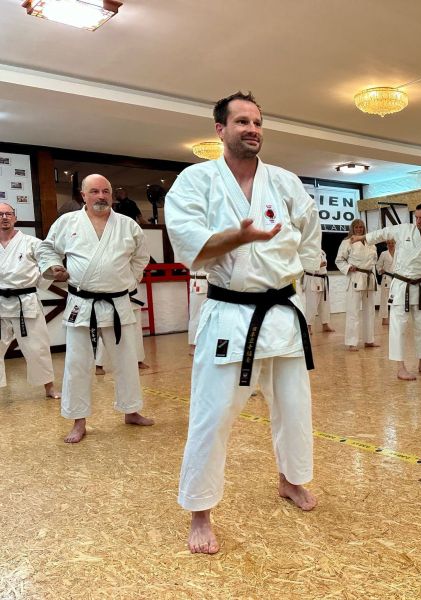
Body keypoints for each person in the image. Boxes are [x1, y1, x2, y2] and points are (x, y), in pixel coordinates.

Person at [165, 91, 321, 555]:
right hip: (229, 314)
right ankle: (200, 511)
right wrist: (239, 237)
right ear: (220, 129)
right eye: (241, 122)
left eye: (257, 122)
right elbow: (190, 247)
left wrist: (292, 273)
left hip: (283, 312)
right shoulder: (195, 181)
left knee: (294, 407)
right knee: (212, 415)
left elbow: (310, 237)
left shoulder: (286, 182)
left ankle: (291, 480)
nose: (252, 129)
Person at [36, 174, 154, 443]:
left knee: (126, 361)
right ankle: (78, 420)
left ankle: (131, 410)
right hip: (82, 304)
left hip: (118, 302)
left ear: (111, 194)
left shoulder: (127, 225)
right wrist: (54, 267)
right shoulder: (68, 222)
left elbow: (141, 257)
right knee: (77, 365)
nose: (101, 196)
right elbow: (47, 249)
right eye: (94, 191)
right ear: (83, 195)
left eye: (105, 191)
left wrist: (128, 280)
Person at [352, 203, 421, 380]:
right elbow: (383, 233)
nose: (418, 221)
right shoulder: (405, 229)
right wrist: (362, 237)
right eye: (416, 217)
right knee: (398, 327)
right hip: (401, 285)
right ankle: (400, 367)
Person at [0, 203, 60, 399]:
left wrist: (51, 272)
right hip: (0, 302)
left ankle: (49, 387)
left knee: (37, 347)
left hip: (25, 301)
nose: (4, 217)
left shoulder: (32, 243)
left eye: (8, 214)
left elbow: (47, 262)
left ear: (15, 218)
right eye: (0, 214)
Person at [335, 219, 379, 352]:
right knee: (353, 311)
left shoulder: (370, 242)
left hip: (369, 277)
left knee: (370, 311)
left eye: (361, 227)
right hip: (355, 277)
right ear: (352, 228)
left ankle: (369, 340)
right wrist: (349, 267)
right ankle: (351, 342)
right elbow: (339, 260)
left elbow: (374, 260)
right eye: (356, 227)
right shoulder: (347, 242)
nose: (359, 229)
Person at [95, 287, 149, 372]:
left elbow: (138, 278)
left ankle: (138, 360)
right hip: (110, 297)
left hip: (132, 295)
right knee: (105, 330)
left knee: (136, 331)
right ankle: (99, 365)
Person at [302, 250, 334, 334]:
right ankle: (308, 326)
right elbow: (304, 265)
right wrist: (318, 265)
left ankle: (325, 324)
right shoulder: (307, 250)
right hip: (312, 279)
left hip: (322, 279)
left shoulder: (322, 251)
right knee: (311, 304)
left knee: (324, 304)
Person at [187, 269, 208, 355]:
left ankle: (202, 345)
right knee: (196, 317)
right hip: (200, 284)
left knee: (204, 317)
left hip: (206, 284)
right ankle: (194, 346)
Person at [376, 239, 395, 326]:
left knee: (395, 299)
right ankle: (384, 319)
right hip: (386, 278)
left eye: (392, 243)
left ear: (395, 243)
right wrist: (381, 270)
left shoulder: (398, 253)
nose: (391, 244)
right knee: (384, 299)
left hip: (396, 279)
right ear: (387, 244)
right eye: (389, 243)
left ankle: (394, 318)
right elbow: (378, 265)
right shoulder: (384, 254)